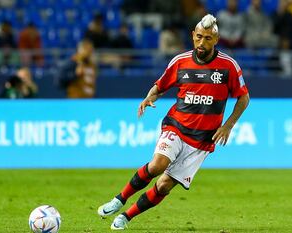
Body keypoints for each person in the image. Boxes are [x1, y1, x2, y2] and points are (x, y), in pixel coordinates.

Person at [97, 14, 250, 230]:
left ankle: (126, 217)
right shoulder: (180, 62)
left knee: (164, 185)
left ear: (216, 40)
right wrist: (149, 97)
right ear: (192, 36)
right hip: (176, 126)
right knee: (158, 164)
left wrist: (228, 125)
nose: (202, 42)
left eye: (208, 38)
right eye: (199, 37)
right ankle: (119, 199)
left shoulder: (229, 67)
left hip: (203, 140)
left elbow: (244, 98)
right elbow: (160, 86)